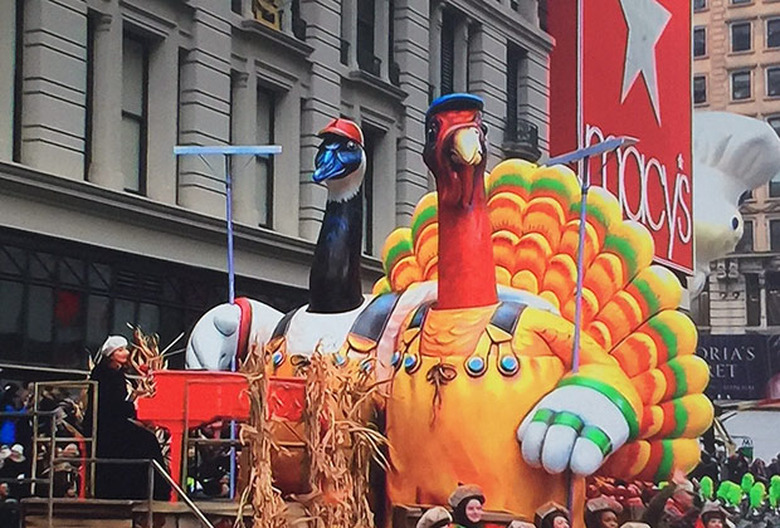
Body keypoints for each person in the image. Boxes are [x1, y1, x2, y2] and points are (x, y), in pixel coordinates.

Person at [88, 335, 170, 500]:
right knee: (146, 440)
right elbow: (109, 405)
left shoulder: (117, 374)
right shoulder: (104, 374)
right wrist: (131, 407)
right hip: (105, 425)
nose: (126, 352)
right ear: (111, 355)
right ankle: (154, 490)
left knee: (147, 439)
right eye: (120, 350)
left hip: (115, 421)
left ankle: (152, 489)